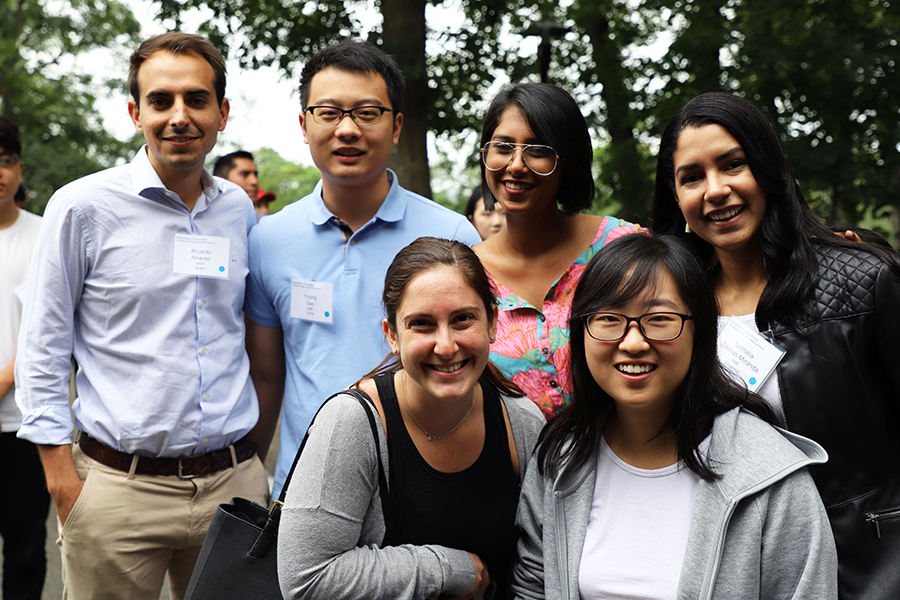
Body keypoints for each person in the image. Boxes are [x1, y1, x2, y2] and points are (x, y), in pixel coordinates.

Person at [15, 32, 269, 600]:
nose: (179, 116)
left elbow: (249, 333)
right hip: (117, 491)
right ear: (136, 112)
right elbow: (43, 346)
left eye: (197, 99)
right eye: (161, 101)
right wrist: (64, 483)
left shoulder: (237, 210)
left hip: (233, 485)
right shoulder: (81, 208)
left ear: (222, 112)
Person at [651, 92, 900, 599]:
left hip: (866, 564)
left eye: (732, 165)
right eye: (692, 176)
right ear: (675, 198)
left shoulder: (862, 282)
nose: (715, 190)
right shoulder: (673, 307)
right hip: (729, 567)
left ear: (767, 170)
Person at [512, 234, 837, 599]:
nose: (633, 343)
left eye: (660, 318)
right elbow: (533, 587)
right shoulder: (560, 459)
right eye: (608, 318)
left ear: (700, 331)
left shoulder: (770, 478)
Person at [244, 39, 481, 499]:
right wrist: (254, 481)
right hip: (306, 486)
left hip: (423, 479)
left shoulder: (453, 235)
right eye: (329, 113)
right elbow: (268, 376)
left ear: (396, 127)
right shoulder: (268, 240)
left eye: (367, 113)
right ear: (304, 124)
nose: (347, 129)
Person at [278, 237, 545, 600]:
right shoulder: (352, 423)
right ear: (393, 336)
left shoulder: (523, 424)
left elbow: (538, 572)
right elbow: (306, 577)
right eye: (422, 324)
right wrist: (450, 569)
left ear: (493, 322)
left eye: (463, 319)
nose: (446, 345)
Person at [473, 83, 643, 420]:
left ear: (568, 159)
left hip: (624, 460)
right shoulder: (469, 275)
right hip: (512, 469)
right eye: (503, 146)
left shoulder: (623, 245)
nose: (516, 164)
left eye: (537, 149)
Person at [0, 117, 48, 600]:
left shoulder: (42, 236)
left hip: (22, 424)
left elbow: (47, 332)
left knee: (25, 550)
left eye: (5, 160)